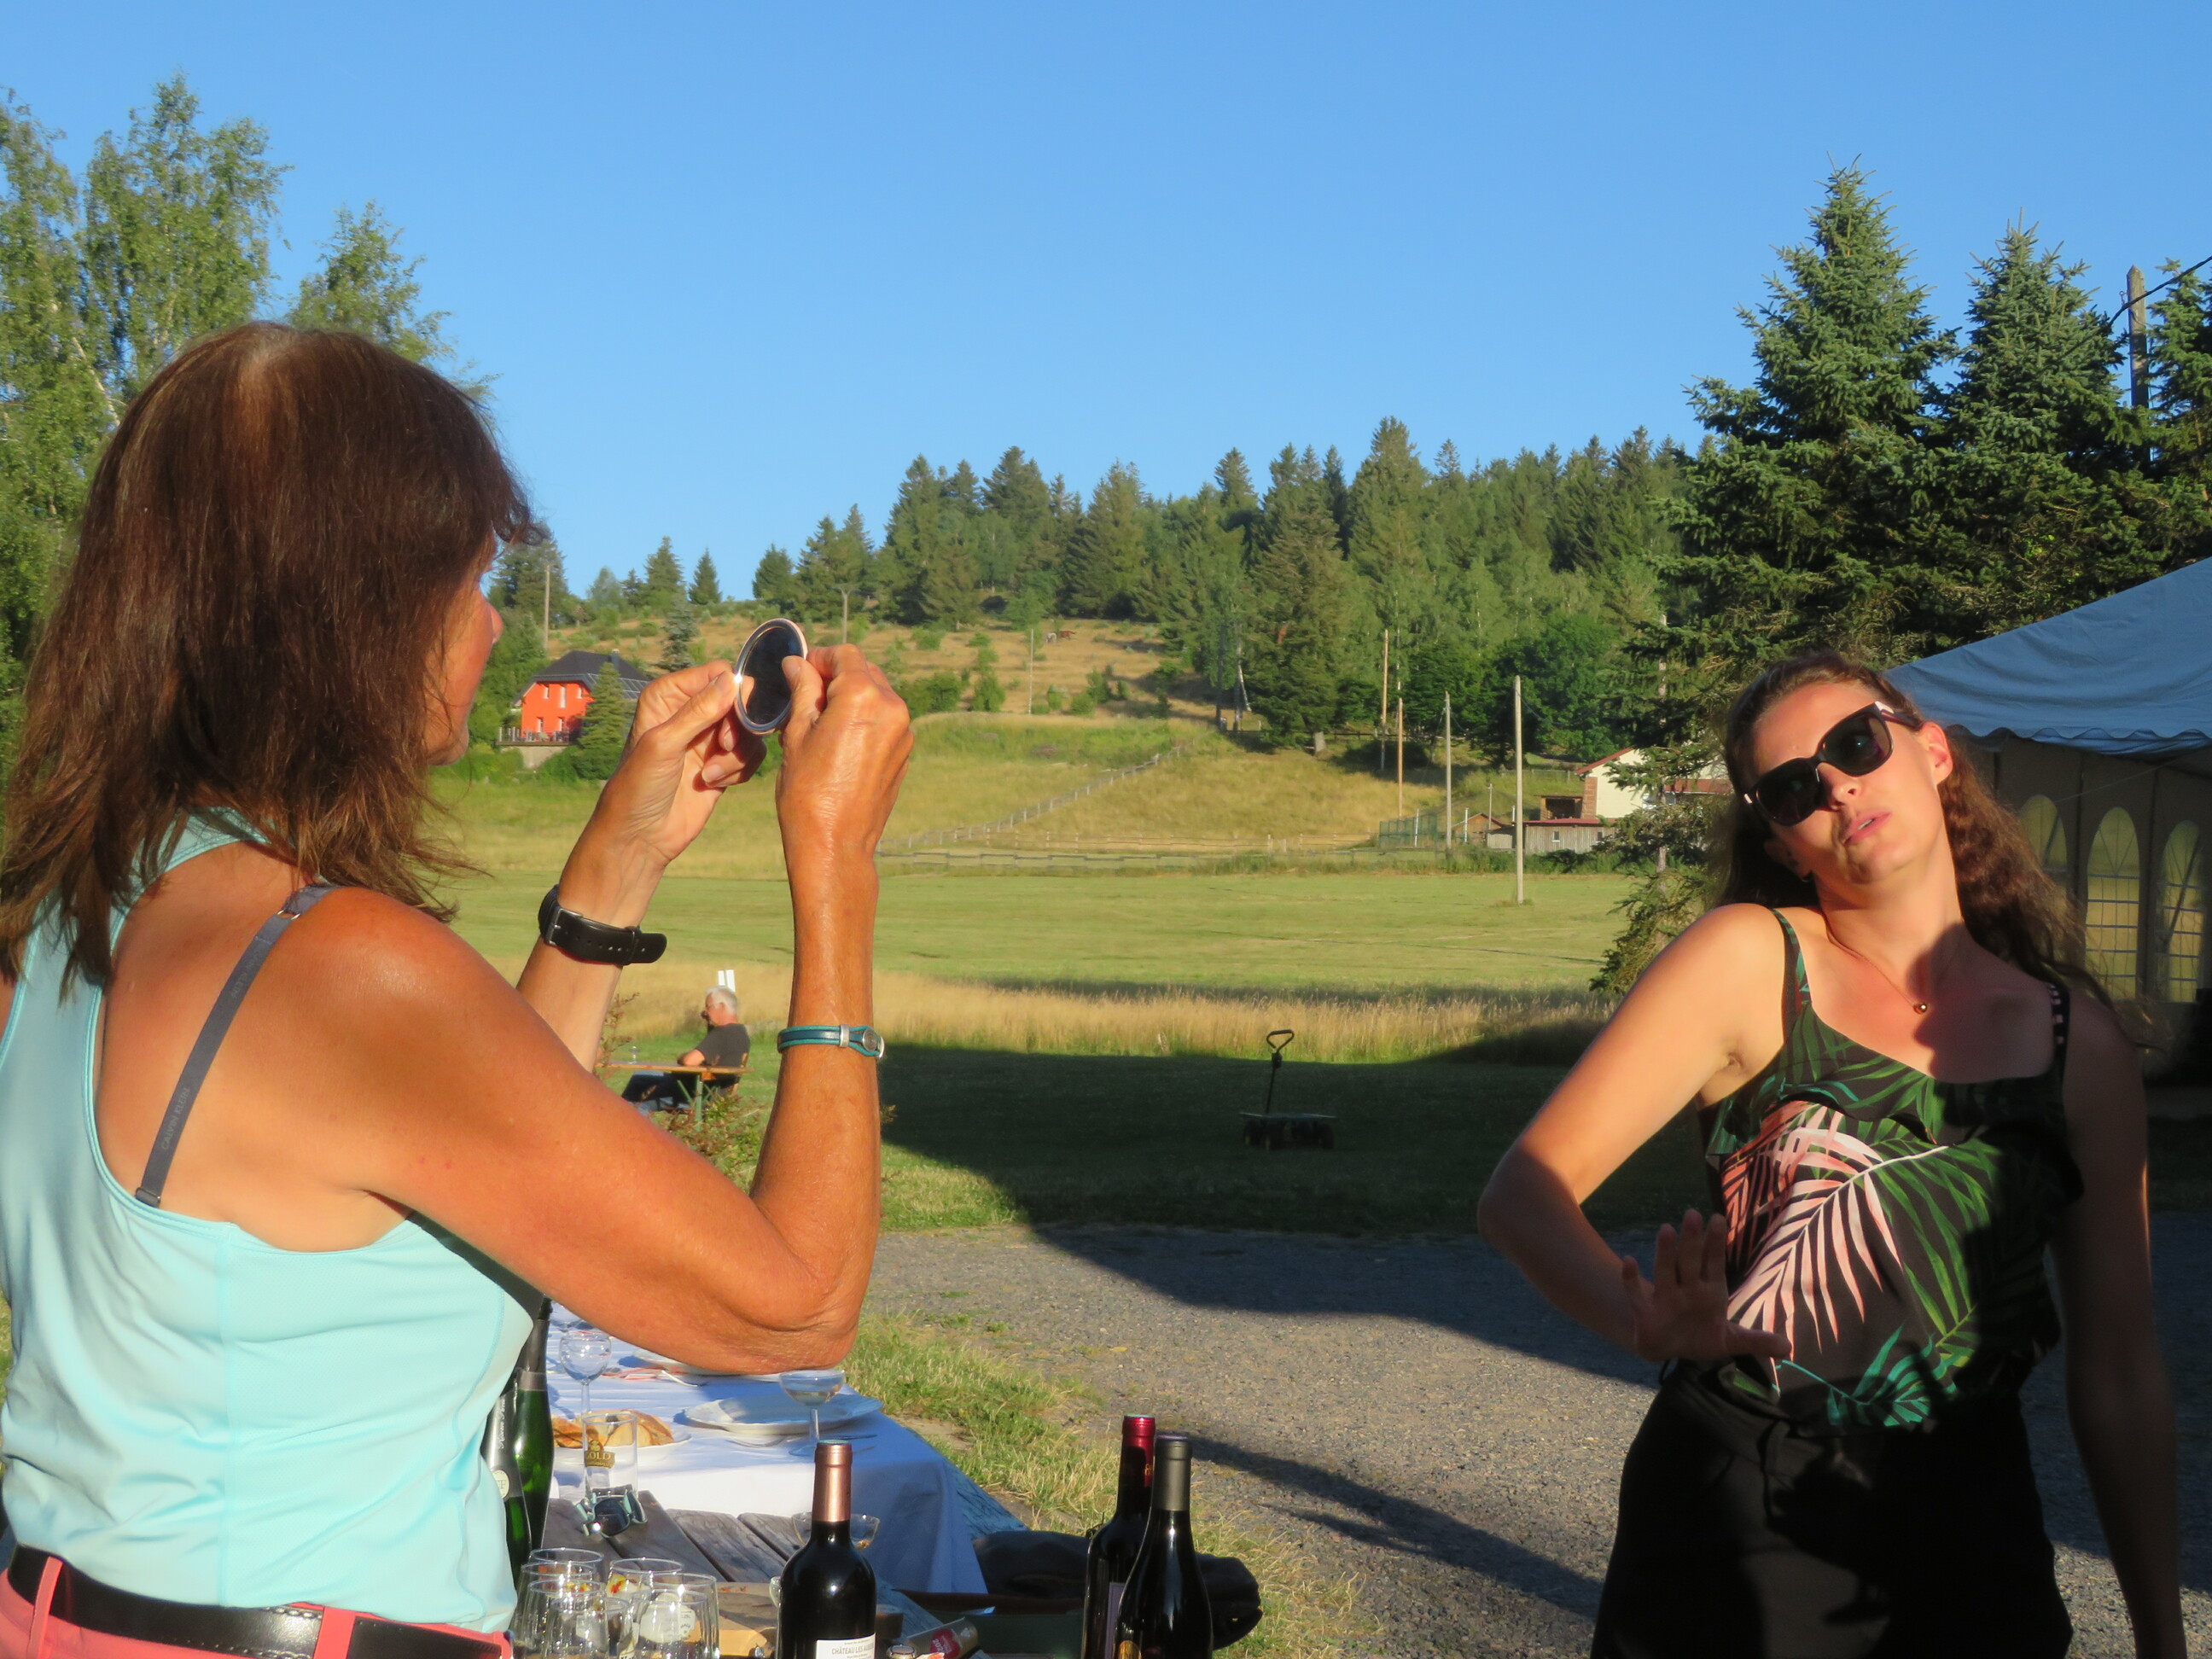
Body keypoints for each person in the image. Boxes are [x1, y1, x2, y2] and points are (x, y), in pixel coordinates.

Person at [0, 323, 911, 1650]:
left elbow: (464, 1142)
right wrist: (837, 868)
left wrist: (618, 860)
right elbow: (796, 1303)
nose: (489, 624)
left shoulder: (69, 916)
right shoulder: (330, 966)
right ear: (357, 611)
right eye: (472, 579)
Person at [1478, 651, 2181, 1659]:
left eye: (1858, 744)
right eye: (1794, 788)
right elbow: (1522, 1193)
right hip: (1743, 1519)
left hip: (1974, 1530)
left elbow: (2121, 1376)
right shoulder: (1750, 961)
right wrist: (1639, 1319)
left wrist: (2164, 1639)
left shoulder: (2080, 1047)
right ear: (1780, 838)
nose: (1840, 787)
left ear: (1932, 751)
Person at [620, 988, 751, 1109]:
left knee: (638, 1100)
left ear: (721, 1007)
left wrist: (681, 1057)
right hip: (712, 1091)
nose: (705, 1012)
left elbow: (689, 1061)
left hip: (695, 1094)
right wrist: (709, 1023)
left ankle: (627, 1120)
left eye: (708, 1007)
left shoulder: (722, 1033)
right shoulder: (740, 1033)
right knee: (641, 1076)